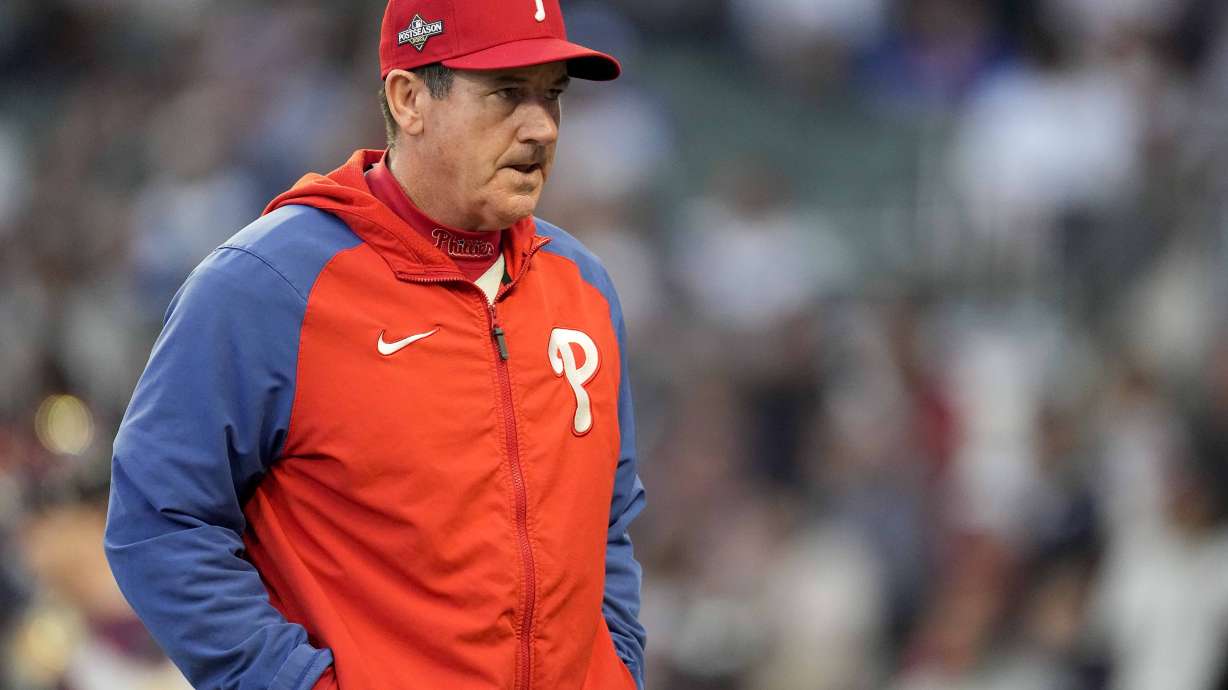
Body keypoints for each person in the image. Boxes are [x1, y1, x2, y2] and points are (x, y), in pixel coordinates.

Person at [102, 1, 647, 689]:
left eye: (553, 96)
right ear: (409, 97)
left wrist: (619, 671)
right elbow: (159, 520)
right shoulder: (269, 287)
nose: (541, 127)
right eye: (508, 94)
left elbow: (609, 520)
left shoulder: (585, 288)